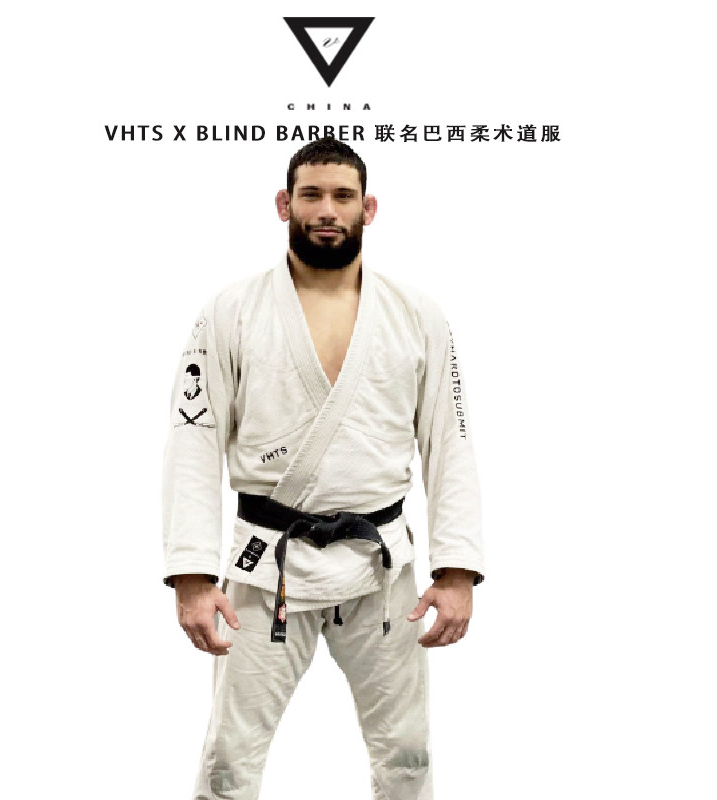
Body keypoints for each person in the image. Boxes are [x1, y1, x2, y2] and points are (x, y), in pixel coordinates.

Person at [162, 137, 485, 800]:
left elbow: (450, 442)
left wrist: (456, 571)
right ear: (285, 204)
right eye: (311, 195)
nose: (327, 210)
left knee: (407, 756)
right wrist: (192, 576)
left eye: (343, 196)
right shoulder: (230, 311)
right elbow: (192, 442)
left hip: (381, 567)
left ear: (369, 207)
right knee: (228, 760)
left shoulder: (417, 315)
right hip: (266, 565)